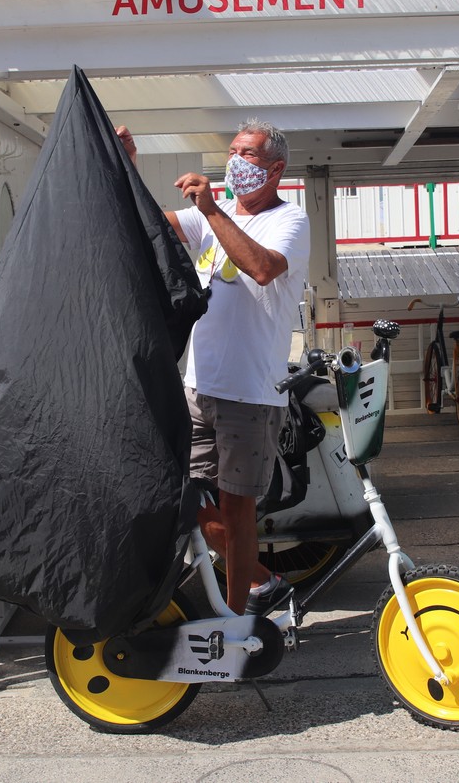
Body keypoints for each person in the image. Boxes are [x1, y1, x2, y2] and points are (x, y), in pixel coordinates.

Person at [117, 119, 311, 617]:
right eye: (232, 151)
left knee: (238, 511)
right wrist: (127, 164)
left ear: (275, 169)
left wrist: (212, 211)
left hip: (250, 393)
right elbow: (147, 224)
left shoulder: (289, 221)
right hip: (197, 387)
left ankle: (238, 619)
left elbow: (262, 268)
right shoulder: (211, 216)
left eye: (246, 154)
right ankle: (264, 584)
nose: (235, 162)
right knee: (178, 497)